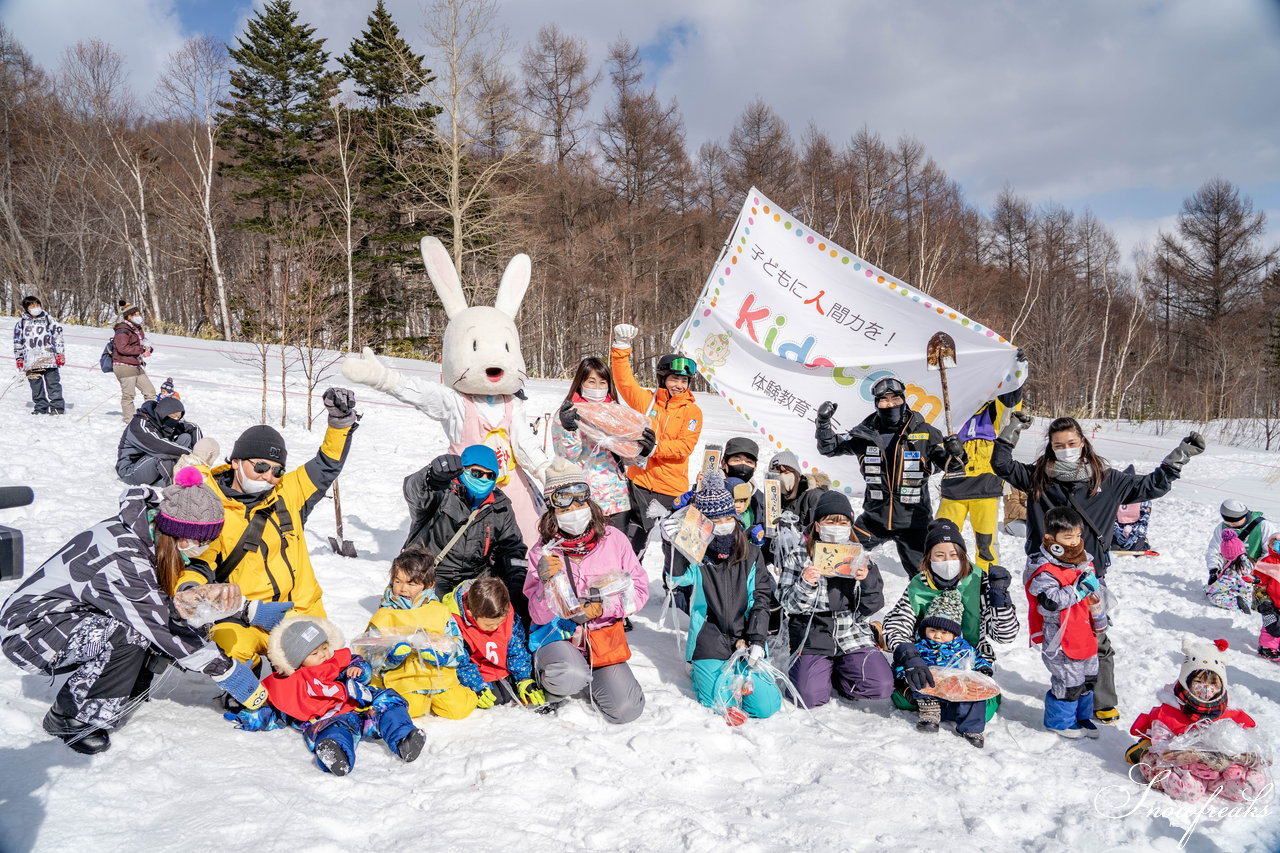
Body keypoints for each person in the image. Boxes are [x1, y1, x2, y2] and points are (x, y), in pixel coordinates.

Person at [0, 469, 269, 754]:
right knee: (130, 633)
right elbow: (160, 625)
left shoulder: (148, 532)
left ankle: (123, 686)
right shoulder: (125, 556)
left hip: (70, 616)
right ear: (179, 533)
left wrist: (238, 609)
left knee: (153, 621)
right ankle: (72, 717)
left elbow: (168, 608)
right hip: (31, 630)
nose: (204, 547)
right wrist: (227, 673)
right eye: (200, 540)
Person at [992, 413, 1204, 724]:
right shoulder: (1038, 477)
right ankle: (1068, 690)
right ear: (1051, 448)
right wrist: (1012, 431)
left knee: (1097, 635)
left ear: (1083, 443)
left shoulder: (1108, 480)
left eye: (1072, 443)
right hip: (1049, 574)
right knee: (1058, 638)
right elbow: (1002, 465)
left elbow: (1152, 487)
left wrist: (1180, 456)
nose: (1066, 448)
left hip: (1089, 574)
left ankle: (1100, 700)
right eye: (1059, 444)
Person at [177, 388, 360, 670]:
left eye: (277, 470)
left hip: (298, 612)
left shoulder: (289, 492)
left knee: (322, 682)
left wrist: (339, 423)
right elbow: (199, 563)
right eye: (260, 466)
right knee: (233, 650)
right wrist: (190, 589)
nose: (268, 476)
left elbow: (326, 464)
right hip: (244, 615)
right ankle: (245, 687)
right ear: (236, 462)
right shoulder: (210, 507)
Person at [524, 457, 648, 723]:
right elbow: (537, 616)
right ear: (552, 508)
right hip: (559, 636)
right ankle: (552, 679)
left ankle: (596, 677)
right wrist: (547, 584)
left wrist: (605, 606)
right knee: (570, 675)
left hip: (603, 637)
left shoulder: (615, 540)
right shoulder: (542, 551)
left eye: (580, 500)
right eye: (564, 502)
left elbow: (639, 591)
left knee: (626, 709)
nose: (575, 509)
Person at [234, 616, 424, 776]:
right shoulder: (294, 683)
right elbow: (279, 710)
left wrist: (358, 669)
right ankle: (335, 753)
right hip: (330, 718)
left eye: (324, 647)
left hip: (363, 710)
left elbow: (359, 665)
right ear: (297, 662)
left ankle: (404, 739)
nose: (324, 655)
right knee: (335, 730)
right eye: (315, 653)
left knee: (388, 701)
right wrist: (252, 718)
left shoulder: (337, 661)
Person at [815, 377, 965, 576]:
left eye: (895, 398)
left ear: (904, 400)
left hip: (914, 522)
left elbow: (952, 467)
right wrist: (823, 424)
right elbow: (829, 447)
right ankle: (839, 602)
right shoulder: (864, 434)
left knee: (927, 577)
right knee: (837, 561)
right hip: (873, 521)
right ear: (876, 404)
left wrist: (957, 453)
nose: (890, 404)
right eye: (884, 400)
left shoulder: (925, 433)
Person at [882, 519, 1019, 726]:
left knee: (986, 706)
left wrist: (1001, 601)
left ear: (963, 556)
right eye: (939, 555)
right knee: (901, 696)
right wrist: (910, 657)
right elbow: (897, 624)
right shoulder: (920, 584)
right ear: (929, 558)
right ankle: (938, 703)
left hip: (969, 659)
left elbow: (1005, 635)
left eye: (954, 554)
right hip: (928, 659)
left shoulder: (980, 581)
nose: (947, 560)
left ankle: (939, 706)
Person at [670, 472, 782, 720]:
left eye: (726, 516)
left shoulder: (751, 551)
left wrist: (757, 640)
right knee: (718, 700)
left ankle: (738, 670)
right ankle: (703, 671)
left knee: (766, 706)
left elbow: (761, 599)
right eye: (714, 518)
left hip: (745, 637)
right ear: (702, 522)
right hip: (708, 638)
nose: (722, 522)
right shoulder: (695, 553)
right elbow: (674, 579)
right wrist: (673, 545)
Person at [775, 490, 893, 708]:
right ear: (818, 525)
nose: (837, 528)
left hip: (850, 631)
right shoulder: (799, 556)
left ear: (850, 526)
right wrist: (805, 583)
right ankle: (819, 671)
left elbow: (873, 605)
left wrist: (866, 580)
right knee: (808, 697)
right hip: (813, 633)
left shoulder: (861, 557)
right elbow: (786, 601)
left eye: (842, 523)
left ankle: (841, 672)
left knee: (881, 686)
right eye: (830, 521)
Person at [1125, 638, 1262, 803]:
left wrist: (1236, 759)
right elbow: (1162, 746)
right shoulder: (1170, 712)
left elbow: (1250, 741)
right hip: (1181, 767)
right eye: (1198, 681)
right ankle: (1144, 755)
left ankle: (1213, 784)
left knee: (1253, 785)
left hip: (1220, 771)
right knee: (1187, 791)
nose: (1206, 687)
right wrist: (1189, 759)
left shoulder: (1230, 711)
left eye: (1213, 682)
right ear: (1186, 681)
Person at [402, 445, 529, 619]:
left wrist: (517, 583)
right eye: (477, 473)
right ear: (464, 470)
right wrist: (431, 475)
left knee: (487, 621)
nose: (483, 479)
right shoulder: (443, 490)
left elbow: (512, 548)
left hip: (474, 579)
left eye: (489, 475)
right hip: (431, 574)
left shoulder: (500, 506)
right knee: (434, 623)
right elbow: (414, 493)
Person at [610, 323, 703, 554]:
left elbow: (685, 446)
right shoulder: (647, 401)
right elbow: (624, 382)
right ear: (663, 378)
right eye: (674, 379)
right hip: (640, 484)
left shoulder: (692, 412)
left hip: (672, 490)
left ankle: (676, 587)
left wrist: (655, 448)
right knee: (632, 544)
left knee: (676, 550)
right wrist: (621, 348)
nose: (679, 385)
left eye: (684, 381)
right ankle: (631, 584)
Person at [1023, 507, 1106, 738]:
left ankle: (1081, 716)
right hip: (1059, 635)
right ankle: (1059, 722)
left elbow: (1095, 588)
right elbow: (1050, 601)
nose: (1074, 542)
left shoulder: (1081, 560)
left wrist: (1100, 605)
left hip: (1084, 630)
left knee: (1088, 677)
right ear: (1051, 539)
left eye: (1078, 536)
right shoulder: (1044, 569)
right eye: (1068, 538)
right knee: (1068, 680)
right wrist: (1079, 590)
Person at [365, 547, 476, 719]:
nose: (403, 589)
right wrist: (390, 658)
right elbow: (370, 654)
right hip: (404, 679)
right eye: (397, 581)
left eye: (411, 583)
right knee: (412, 709)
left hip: (439, 678)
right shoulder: (384, 616)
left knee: (458, 709)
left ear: (429, 585)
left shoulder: (440, 612)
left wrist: (444, 656)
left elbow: (458, 647)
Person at [553, 356, 656, 530]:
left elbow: (626, 457)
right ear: (580, 383)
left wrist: (642, 451)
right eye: (591, 382)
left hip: (617, 499)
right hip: (583, 499)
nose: (597, 388)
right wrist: (569, 429)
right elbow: (566, 457)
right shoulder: (566, 414)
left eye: (602, 383)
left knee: (614, 552)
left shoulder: (617, 414)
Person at [936, 381, 1024, 570]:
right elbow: (936, 451)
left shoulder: (994, 412)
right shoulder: (952, 415)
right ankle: (941, 578)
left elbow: (1011, 399)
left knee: (986, 544)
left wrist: (1015, 373)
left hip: (985, 489)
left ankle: (988, 581)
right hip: (953, 489)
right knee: (942, 538)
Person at [903, 589, 992, 748]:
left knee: (974, 692)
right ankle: (930, 714)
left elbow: (977, 658)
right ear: (925, 630)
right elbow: (904, 664)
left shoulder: (963, 648)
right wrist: (905, 674)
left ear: (955, 635)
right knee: (921, 675)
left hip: (957, 690)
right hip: (932, 691)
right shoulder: (920, 647)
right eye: (932, 631)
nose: (937, 636)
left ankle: (971, 728)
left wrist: (983, 667)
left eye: (944, 632)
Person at [445, 576, 545, 709]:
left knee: (524, 693)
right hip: (477, 673)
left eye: (500, 622)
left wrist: (524, 678)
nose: (495, 627)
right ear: (471, 612)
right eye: (489, 624)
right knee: (495, 698)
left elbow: (516, 646)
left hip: (503, 669)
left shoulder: (504, 611)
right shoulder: (454, 621)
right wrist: (476, 685)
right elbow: (460, 659)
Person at [116, 396, 212, 486]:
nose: (176, 420)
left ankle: (194, 472)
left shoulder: (162, 419)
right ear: (163, 413)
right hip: (130, 471)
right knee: (163, 455)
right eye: (173, 416)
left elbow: (193, 428)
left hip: (151, 463)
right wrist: (190, 454)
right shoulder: (140, 425)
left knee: (185, 437)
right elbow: (162, 448)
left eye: (179, 417)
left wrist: (198, 455)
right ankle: (176, 486)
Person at [12, 294, 66, 415]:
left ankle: (57, 408)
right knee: (36, 387)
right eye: (32, 306)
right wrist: (19, 358)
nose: (36, 307)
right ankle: (41, 407)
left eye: (37, 305)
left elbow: (58, 337)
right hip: (31, 361)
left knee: (53, 385)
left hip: (49, 359)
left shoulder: (49, 320)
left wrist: (60, 354)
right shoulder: (21, 324)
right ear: (27, 308)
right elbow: (17, 342)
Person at [1205, 499, 1276, 581]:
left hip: (1257, 573)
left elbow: (1270, 552)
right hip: (1231, 573)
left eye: (1234, 522)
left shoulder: (1263, 526)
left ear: (1243, 516)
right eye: (1227, 522)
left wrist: (1255, 570)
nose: (1230, 525)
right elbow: (1214, 550)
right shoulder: (1222, 528)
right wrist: (1214, 570)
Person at [112, 302, 156, 424]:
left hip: (136, 364)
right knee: (129, 395)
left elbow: (140, 345)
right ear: (129, 316)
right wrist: (140, 350)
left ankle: (150, 417)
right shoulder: (122, 330)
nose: (139, 316)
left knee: (150, 392)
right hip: (123, 365)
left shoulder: (137, 329)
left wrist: (147, 349)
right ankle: (130, 421)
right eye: (136, 314)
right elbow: (122, 348)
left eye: (139, 313)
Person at [767, 449, 829, 534]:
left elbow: (820, 532)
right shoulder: (775, 498)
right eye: (776, 474)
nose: (781, 477)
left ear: (797, 474)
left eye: (786, 472)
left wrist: (786, 527)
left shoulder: (814, 496)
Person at [1205, 529, 1257, 612]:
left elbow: (1224, 585)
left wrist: (1209, 589)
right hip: (1247, 594)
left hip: (1239, 595)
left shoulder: (1233, 570)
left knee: (1214, 597)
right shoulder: (1248, 562)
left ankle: (1237, 604)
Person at [1254, 533, 1280, 660]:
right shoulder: (1268, 562)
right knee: (1272, 625)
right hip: (1272, 603)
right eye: (1278, 545)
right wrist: (1263, 601)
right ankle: (1266, 647)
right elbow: (1259, 580)